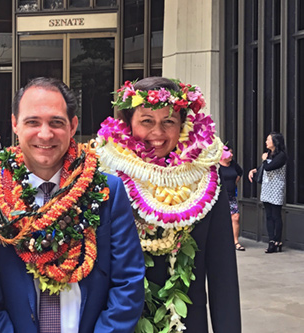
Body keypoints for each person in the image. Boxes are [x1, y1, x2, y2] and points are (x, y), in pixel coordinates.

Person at [0, 77, 145, 333]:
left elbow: (128, 281)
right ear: (15, 124)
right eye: (32, 122)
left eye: (56, 123)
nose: (45, 134)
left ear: (73, 126)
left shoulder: (106, 191)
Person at [96, 77, 241, 332]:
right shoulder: (105, 179)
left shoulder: (206, 181)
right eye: (147, 121)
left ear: (183, 124)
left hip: (187, 323)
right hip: (118, 323)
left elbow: (223, 276)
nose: (158, 133)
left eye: (169, 122)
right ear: (129, 124)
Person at [248, 132, 287, 253]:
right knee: (268, 215)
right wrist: (254, 170)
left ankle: (277, 241)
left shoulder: (281, 155)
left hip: (276, 188)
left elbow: (270, 167)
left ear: (275, 142)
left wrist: (264, 160)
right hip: (266, 187)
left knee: (276, 215)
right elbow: (264, 167)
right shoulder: (269, 154)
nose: (266, 142)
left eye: (268, 140)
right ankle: (271, 241)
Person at [219, 145, 245, 251]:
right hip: (220, 196)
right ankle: (221, 241)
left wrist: (234, 183)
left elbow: (240, 172)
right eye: (229, 153)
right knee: (222, 218)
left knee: (235, 217)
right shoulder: (217, 166)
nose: (232, 155)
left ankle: (235, 242)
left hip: (231, 195)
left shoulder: (233, 164)